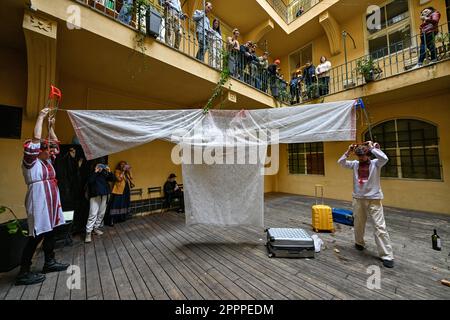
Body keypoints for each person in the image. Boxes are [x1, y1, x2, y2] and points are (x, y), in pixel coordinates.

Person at [16, 108, 69, 286]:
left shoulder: (46, 161)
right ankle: (24, 272)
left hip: (52, 200)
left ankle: (49, 262)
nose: (54, 153)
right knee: (36, 235)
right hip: (39, 200)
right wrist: (40, 117)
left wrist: (51, 126)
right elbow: (36, 140)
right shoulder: (31, 162)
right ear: (40, 150)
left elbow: (55, 142)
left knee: (51, 232)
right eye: (50, 150)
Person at [338, 141, 394, 268]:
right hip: (358, 198)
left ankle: (387, 255)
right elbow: (341, 162)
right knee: (358, 222)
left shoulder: (376, 163)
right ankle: (359, 242)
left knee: (380, 226)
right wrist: (349, 151)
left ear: (368, 155)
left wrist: (372, 148)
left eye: (363, 155)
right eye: (359, 156)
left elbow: (384, 158)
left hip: (374, 198)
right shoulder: (355, 164)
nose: (361, 158)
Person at [85, 162, 115, 243]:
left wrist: (109, 171)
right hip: (95, 195)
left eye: (101, 166)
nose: (100, 167)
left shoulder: (104, 173)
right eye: (98, 165)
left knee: (101, 213)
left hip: (105, 195)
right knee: (93, 214)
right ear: (95, 166)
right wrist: (96, 171)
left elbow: (112, 179)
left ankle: (96, 228)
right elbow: (90, 181)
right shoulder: (92, 173)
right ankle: (88, 233)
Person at [107, 161, 134, 226]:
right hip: (118, 190)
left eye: (124, 165)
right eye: (122, 165)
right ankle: (111, 220)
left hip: (126, 190)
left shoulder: (126, 172)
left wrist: (129, 170)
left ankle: (121, 218)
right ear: (119, 166)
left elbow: (131, 178)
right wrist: (123, 171)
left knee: (124, 204)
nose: (123, 166)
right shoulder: (117, 171)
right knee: (115, 205)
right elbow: (119, 179)